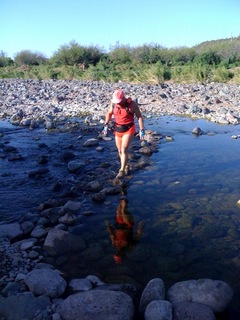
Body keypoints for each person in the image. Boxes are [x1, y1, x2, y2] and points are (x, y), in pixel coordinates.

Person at [102, 89, 145, 179]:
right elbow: (109, 113)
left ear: (123, 98)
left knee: (124, 149)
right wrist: (106, 124)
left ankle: (121, 171)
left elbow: (139, 116)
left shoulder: (132, 105)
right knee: (119, 151)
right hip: (118, 129)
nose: (117, 103)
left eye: (119, 101)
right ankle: (126, 165)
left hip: (129, 129)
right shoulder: (113, 104)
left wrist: (141, 130)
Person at [106, 198, 144, 264]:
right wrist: (140, 227)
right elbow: (137, 236)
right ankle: (124, 198)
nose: (118, 253)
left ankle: (121, 197)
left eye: (117, 254)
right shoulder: (129, 246)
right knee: (123, 211)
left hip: (119, 226)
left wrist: (108, 226)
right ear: (123, 255)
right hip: (128, 226)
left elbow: (111, 234)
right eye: (120, 255)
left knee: (118, 211)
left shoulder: (114, 245)